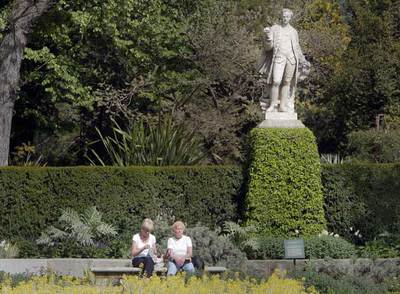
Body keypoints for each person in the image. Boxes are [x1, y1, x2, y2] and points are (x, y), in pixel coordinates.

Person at [258, 8, 310, 113]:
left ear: (290, 18)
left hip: (291, 60)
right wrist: (268, 37)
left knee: (287, 82)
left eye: (287, 16)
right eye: (283, 16)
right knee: (276, 81)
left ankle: (282, 106)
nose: (285, 18)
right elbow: (268, 48)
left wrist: (302, 59)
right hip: (279, 58)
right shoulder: (274, 28)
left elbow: (297, 47)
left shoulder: (294, 31)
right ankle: (272, 105)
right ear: (281, 16)